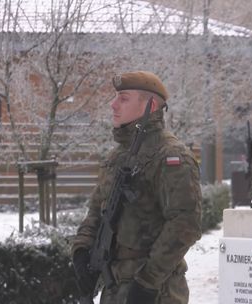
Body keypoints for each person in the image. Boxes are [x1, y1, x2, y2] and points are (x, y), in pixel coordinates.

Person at [71, 71, 202, 304]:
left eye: (123, 98)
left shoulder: (170, 156)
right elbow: (96, 212)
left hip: (156, 293)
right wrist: (82, 251)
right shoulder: (117, 156)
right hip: (114, 288)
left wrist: (147, 282)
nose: (113, 105)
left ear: (150, 105)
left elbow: (185, 224)